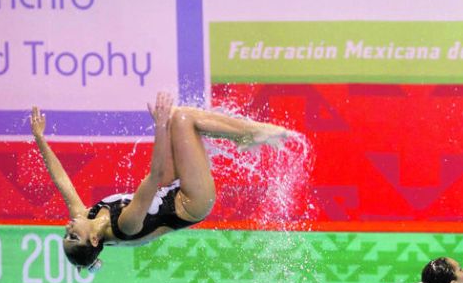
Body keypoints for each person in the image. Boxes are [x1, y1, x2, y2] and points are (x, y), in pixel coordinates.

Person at [30, 92, 290, 272]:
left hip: (169, 188)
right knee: (182, 121)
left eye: (65, 234)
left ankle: (246, 135)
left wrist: (40, 137)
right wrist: (160, 127)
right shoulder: (126, 225)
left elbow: (61, 179)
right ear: (95, 241)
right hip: (190, 203)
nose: (68, 227)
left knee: (178, 115)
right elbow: (153, 177)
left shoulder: (85, 215)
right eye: (73, 236)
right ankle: (250, 133)